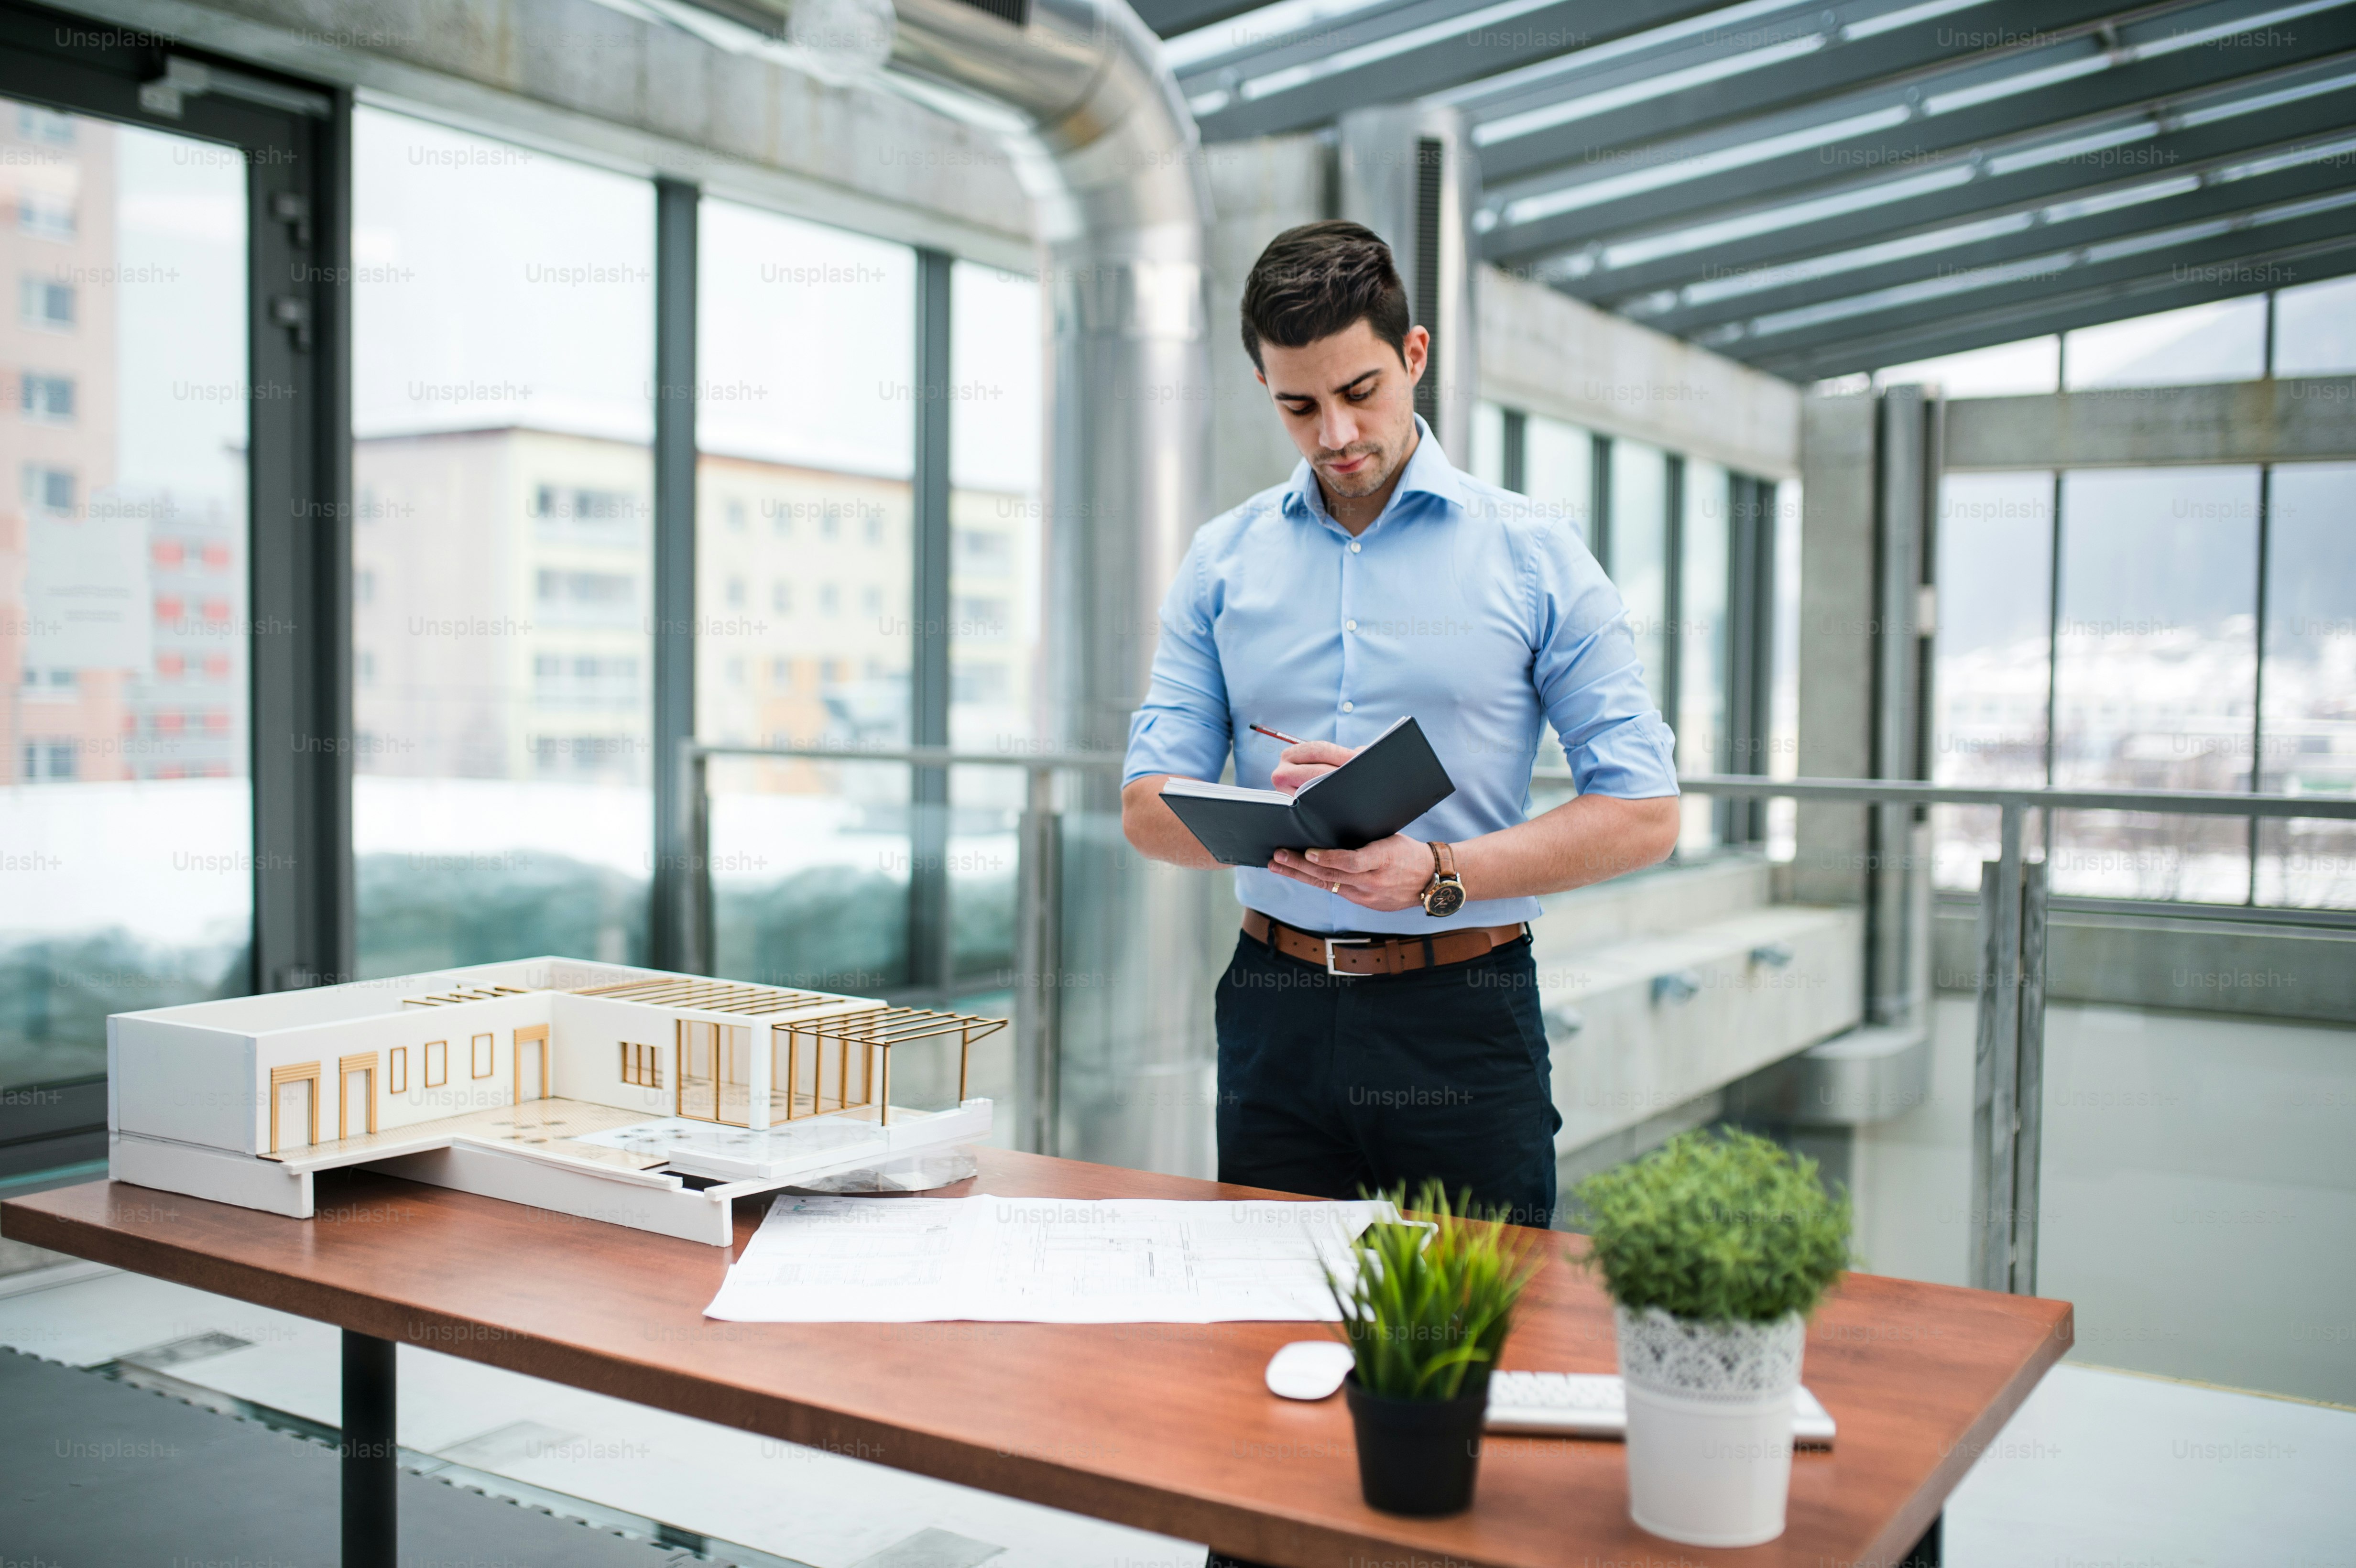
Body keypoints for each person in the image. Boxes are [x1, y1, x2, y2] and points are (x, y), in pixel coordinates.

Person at [1119, 220, 1681, 1228]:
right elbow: (1148, 806)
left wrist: (1437, 872)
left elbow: (1642, 811)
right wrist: (1285, 827)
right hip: (1273, 1008)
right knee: (1258, 1334)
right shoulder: (1220, 560)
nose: (1334, 433)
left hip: (1461, 1017)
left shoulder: (1535, 554)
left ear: (1413, 355)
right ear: (1265, 388)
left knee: (1471, 1345)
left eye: (1359, 392)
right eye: (1299, 404)